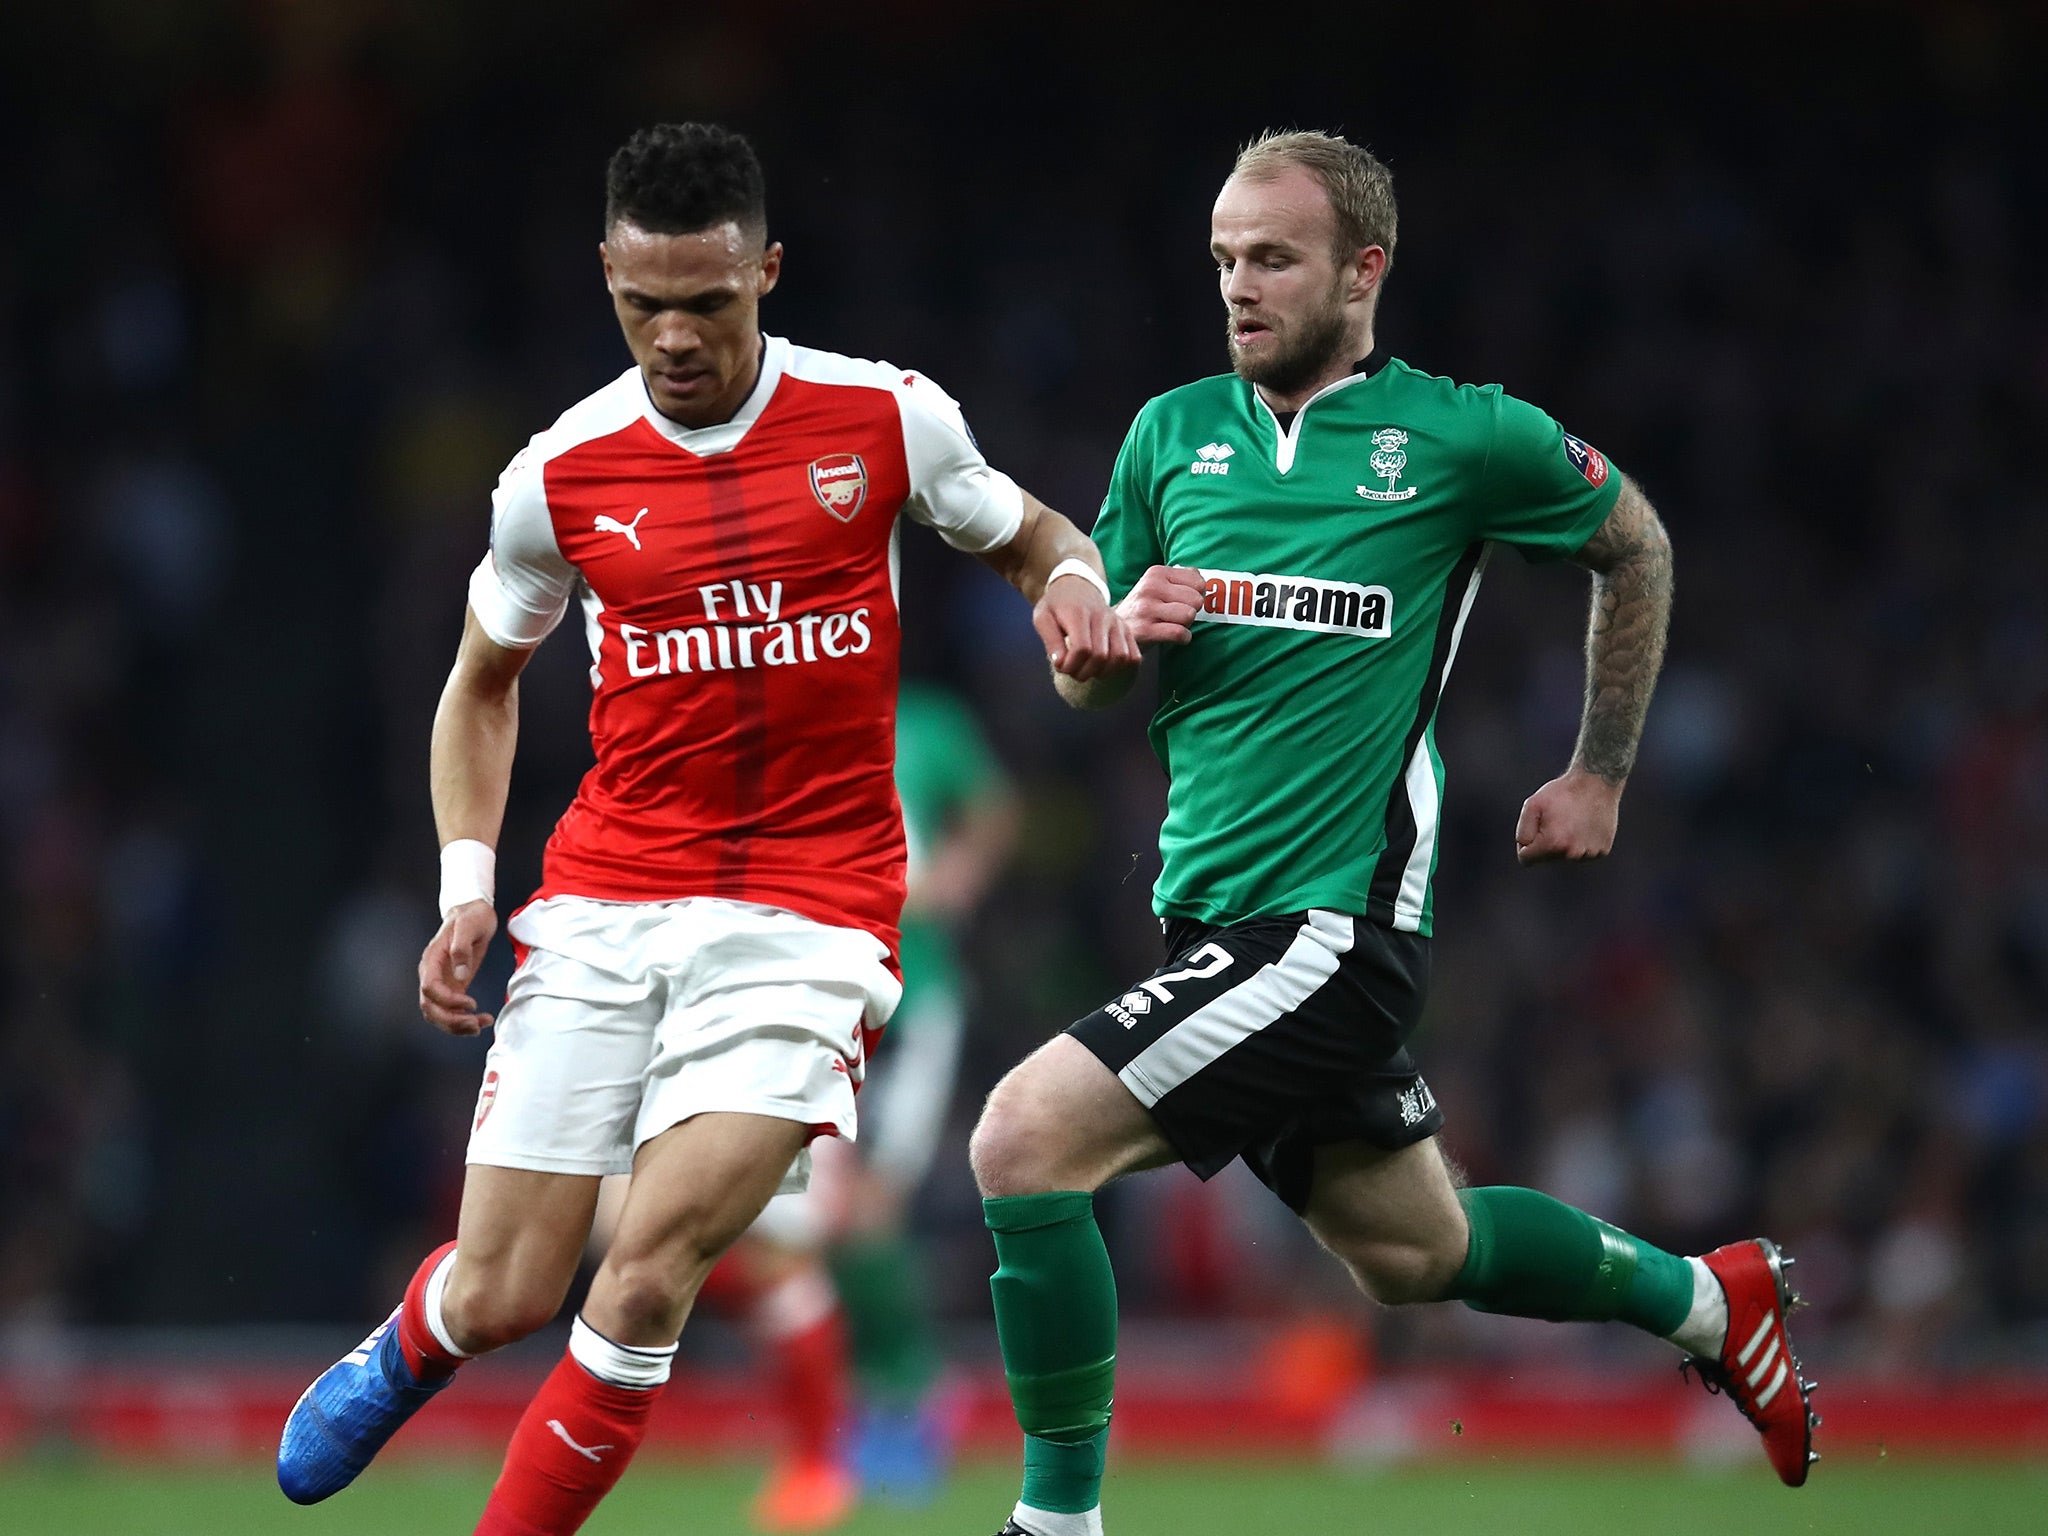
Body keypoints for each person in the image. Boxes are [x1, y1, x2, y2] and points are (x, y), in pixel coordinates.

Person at [275, 121, 1137, 1536]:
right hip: (609, 900)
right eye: (643, 304)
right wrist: (462, 884)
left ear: (768, 273)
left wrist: (1078, 588)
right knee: (505, 1292)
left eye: (709, 301)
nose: (675, 335)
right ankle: (417, 1336)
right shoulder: (557, 475)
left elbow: (1035, 533)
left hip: (815, 917)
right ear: (606, 279)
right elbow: (479, 685)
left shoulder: (883, 419)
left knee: (652, 1264)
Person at [966, 129, 1818, 1536]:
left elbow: (1637, 542)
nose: (1239, 286)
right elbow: (1081, 661)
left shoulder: (1459, 433)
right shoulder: (1168, 433)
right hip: (1214, 920)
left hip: (1331, 928)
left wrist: (1601, 768)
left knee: (1020, 1140)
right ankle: (1706, 1300)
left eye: (1274, 258)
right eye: (1226, 259)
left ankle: (1057, 1526)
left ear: (1364, 270)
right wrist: (1107, 646)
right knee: (1421, 1250)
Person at [709, 678, 1018, 1530]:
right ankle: (867, 1402)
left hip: (915, 1006)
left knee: (868, 1210)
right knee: (805, 1220)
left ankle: (911, 1393)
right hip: (818, 1008)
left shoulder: (927, 719)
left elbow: (993, 808)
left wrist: (957, 873)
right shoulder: (788, 722)